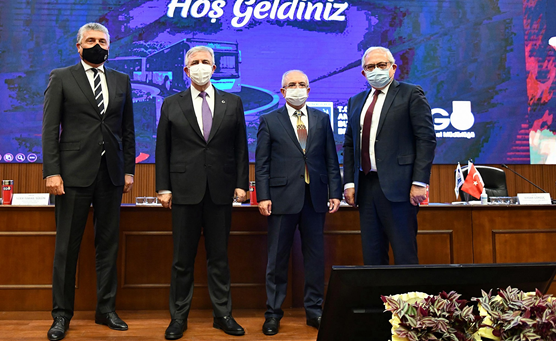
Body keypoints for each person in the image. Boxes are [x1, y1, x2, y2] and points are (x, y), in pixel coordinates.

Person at [42, 22, 135, 340]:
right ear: (79, 46)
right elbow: (49, 129)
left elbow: (127, 130)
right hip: (72, 176)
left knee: (108, 245)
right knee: (67, 247)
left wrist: (129, 170)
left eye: (103, 41)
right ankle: (61, 315)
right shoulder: (61, 77)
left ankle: (106, 310)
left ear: (109, 46)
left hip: (111, 174)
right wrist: (52, 171)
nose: (98, 45)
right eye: (91, 40)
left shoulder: (121, 80)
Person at [155, 46, 250, 340]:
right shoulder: (171, 103)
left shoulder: (232, 102)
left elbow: (240, 147)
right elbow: (163, 149)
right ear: (186, 71)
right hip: (183, 191)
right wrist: (163, 187)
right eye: (194, 62)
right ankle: (178, 318)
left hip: (221, 190)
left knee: (219, 257)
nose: (200, 66)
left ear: (214, 67)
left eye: (205, 62)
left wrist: (242, 183)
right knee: (182, 259)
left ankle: (223, 315)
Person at [255, 70, 342, 335]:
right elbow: (262, 163)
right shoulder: (269, 120)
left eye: (301, 84)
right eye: (291, 85)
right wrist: (263, 195)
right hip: (281, 199)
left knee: (315, 258)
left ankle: (314, 311)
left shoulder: (322, 119)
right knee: (277, 258)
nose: (297, 88)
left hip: (315, 198)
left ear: (309, 89)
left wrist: (335, 192)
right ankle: (273, 313)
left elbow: (330, 159)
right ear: (282, 92)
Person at [342, 46, 436, 265]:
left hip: (400, 188)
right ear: (364, 73)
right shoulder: (356, 101)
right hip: (366, 187)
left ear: (393, 68)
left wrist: (419, 182)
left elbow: (426, 139)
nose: (376, 70)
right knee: (372, 255)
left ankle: (408, 290)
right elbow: (349, 144)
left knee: (404, 254)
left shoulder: (410, 94)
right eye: (370, 67)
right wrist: (349, 183)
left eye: (381, 65)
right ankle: (377, 290)